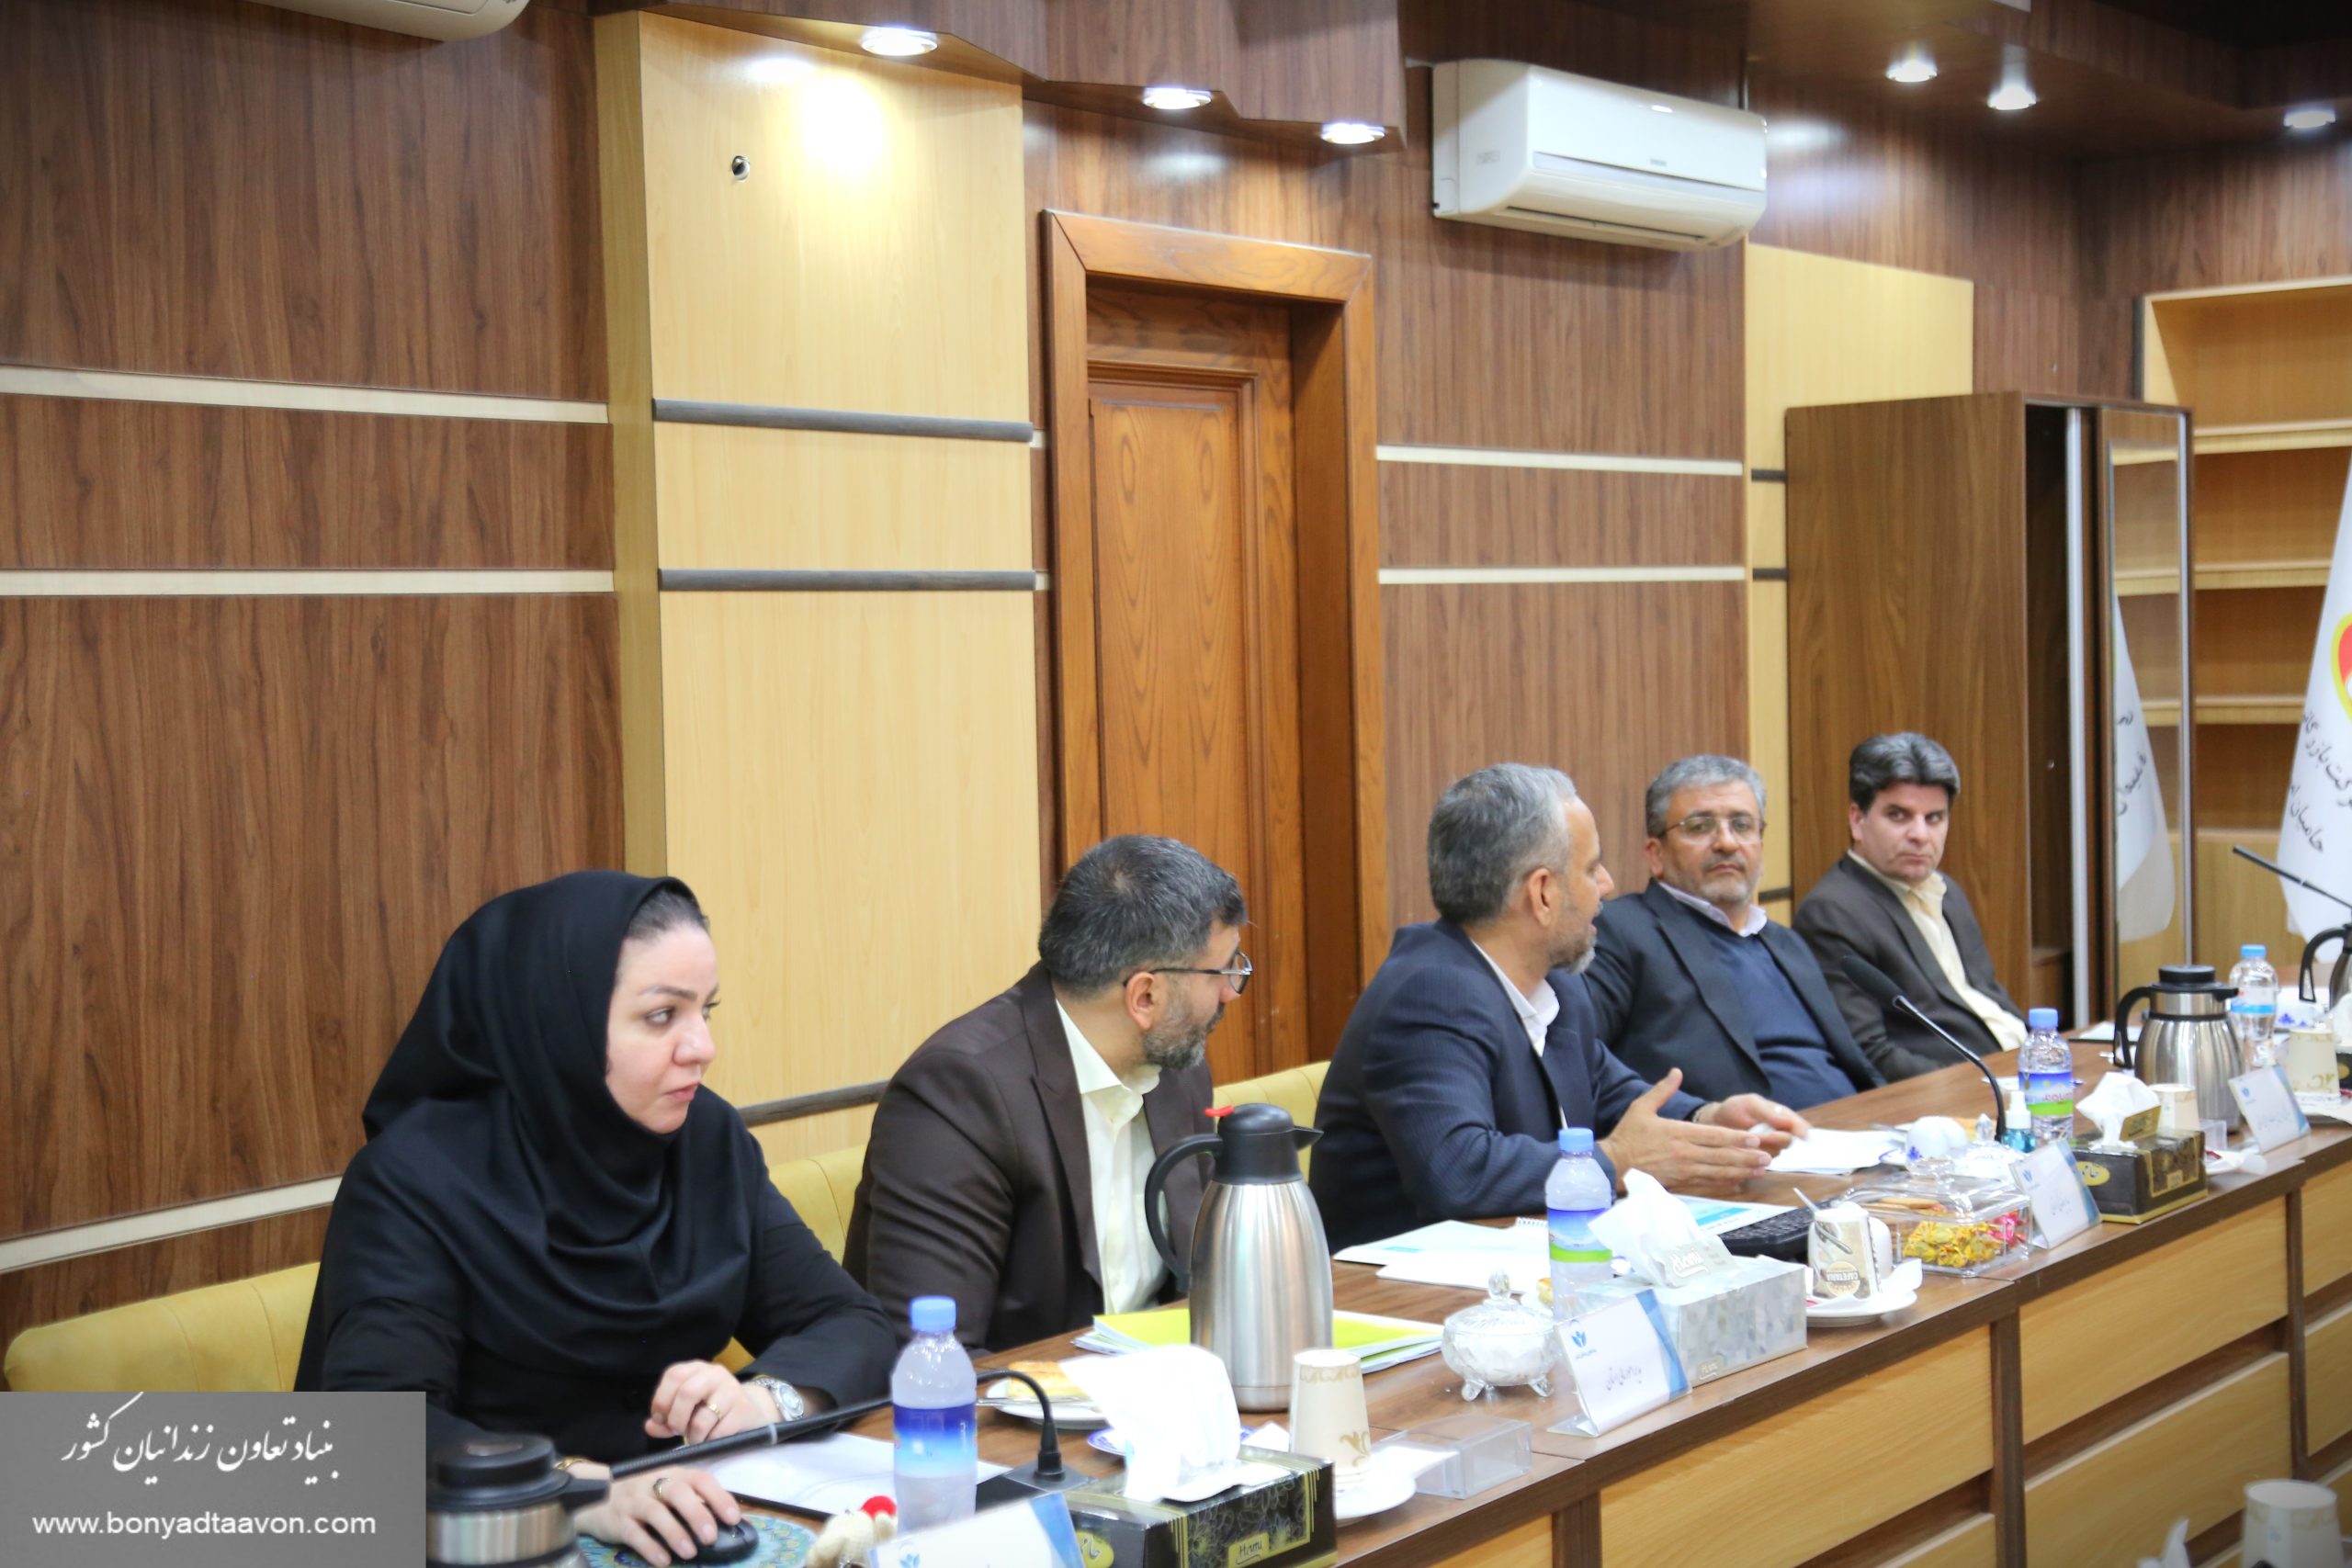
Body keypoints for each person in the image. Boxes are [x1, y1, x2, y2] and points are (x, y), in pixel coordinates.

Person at [297, 873, 894, 1568]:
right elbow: (378, 1432)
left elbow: (852, 1322)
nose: (702, 1046)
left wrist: (760, 1402)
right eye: (662, 1015)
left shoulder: (704, 1139)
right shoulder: (415, 1179)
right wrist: (577, 1490)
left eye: (705, 1010)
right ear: (560, 1021)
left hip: (683, 1530)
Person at [1308, 763, 1806, 1252]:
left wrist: (1706, 1120)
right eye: (1591, 869)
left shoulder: (1557, 985)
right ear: (1543, 893)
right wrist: (1617, 1160)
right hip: (1403, 1289)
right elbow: (1460, 1170)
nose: (1607, 884)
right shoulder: (1430, 995)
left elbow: (1608, 1090)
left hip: (1522, 1266)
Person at [844, 835, 1243, 1352]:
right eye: (1223, 972)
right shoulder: (958, 1094)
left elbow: (1199, 1285)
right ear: (1145, 996)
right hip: (1025, 1399)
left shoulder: (1175, 1066)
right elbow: (935, 1354)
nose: (1231, 992)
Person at [1587, 755, 1884, 1110]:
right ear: (1656, 855)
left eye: (1742, 825)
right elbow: (1581, 1062)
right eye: (1700, 827)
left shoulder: (1787, 943)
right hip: (1743, 1138)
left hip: (1860, 1129)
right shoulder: (1620, 930)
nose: (1727, 843)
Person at [1794, 732, 2025, 1080]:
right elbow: (1870, 1053)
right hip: (1956, 1092)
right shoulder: (1832, 913)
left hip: (2020, 1072)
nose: (1920, 835)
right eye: (1899, 816)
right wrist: (1983, 1087)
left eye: (1934, 818)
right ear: (1857, 820)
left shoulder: (1947, 891)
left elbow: (1985, 998)